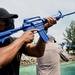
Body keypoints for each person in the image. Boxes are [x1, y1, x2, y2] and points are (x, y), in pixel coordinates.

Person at [0, 8, 57, 75]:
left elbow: (38, 52)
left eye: (6, 22)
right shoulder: (18, 41)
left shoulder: (14, 41)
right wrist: (22, 39)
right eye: (2, 22)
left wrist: (44, 29)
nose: (4, 25)